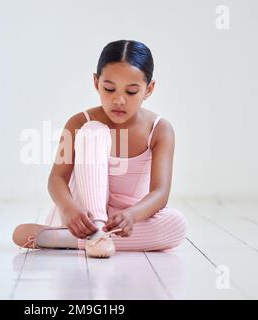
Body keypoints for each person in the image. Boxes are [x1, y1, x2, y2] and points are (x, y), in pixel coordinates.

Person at [13, 39, 187, 258]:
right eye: (109, 89)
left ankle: (70, 239)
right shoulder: (79, 122)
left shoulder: (159, 129)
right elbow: (57, 179)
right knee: (93, 129)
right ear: (96, 83)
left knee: (177, 224)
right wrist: (69, 209)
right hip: (83, 216)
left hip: (125, 220)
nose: (119, 100)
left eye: (132, 92)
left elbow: (160, 193)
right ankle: (95, 231)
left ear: (149, 89)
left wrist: (132, 215)